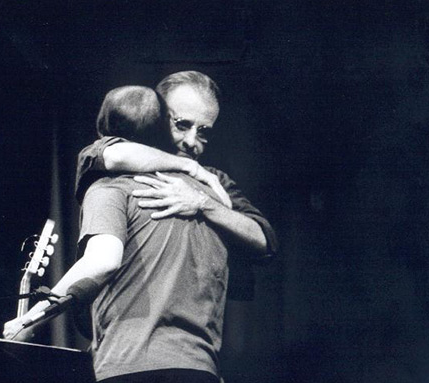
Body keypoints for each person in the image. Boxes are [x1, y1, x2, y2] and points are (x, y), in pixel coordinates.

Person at [76, 71, 278, 301]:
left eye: (203, 132)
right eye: (182, 125)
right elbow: (112, 154)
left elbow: (265, 241)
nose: (192, 141)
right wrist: (189, 167)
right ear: (158, 115)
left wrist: (203, 203)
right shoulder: (113, 156)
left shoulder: (214, 180)